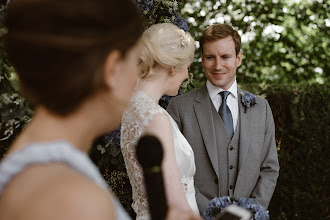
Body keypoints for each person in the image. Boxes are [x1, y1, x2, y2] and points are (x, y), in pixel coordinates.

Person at [0, 1, 199, 220]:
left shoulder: (34, 167)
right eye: (135, 61)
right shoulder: (73, 199)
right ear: (112, 68)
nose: (138, 75)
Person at [167, 23, 280, 214]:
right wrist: (208, 213)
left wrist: (252, 212)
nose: (218, 66)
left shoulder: (261, 109)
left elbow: (269, 168)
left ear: (238, 58)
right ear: (202, 59)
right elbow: (174, 173)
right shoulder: (179, 108)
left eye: (225, 57)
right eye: (210, 57)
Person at [121, 23, 201, 220]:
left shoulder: (131, 108)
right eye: (187, 69)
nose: (186, 77)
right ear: (173, 68)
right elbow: (175, 203)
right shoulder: (157, 118)